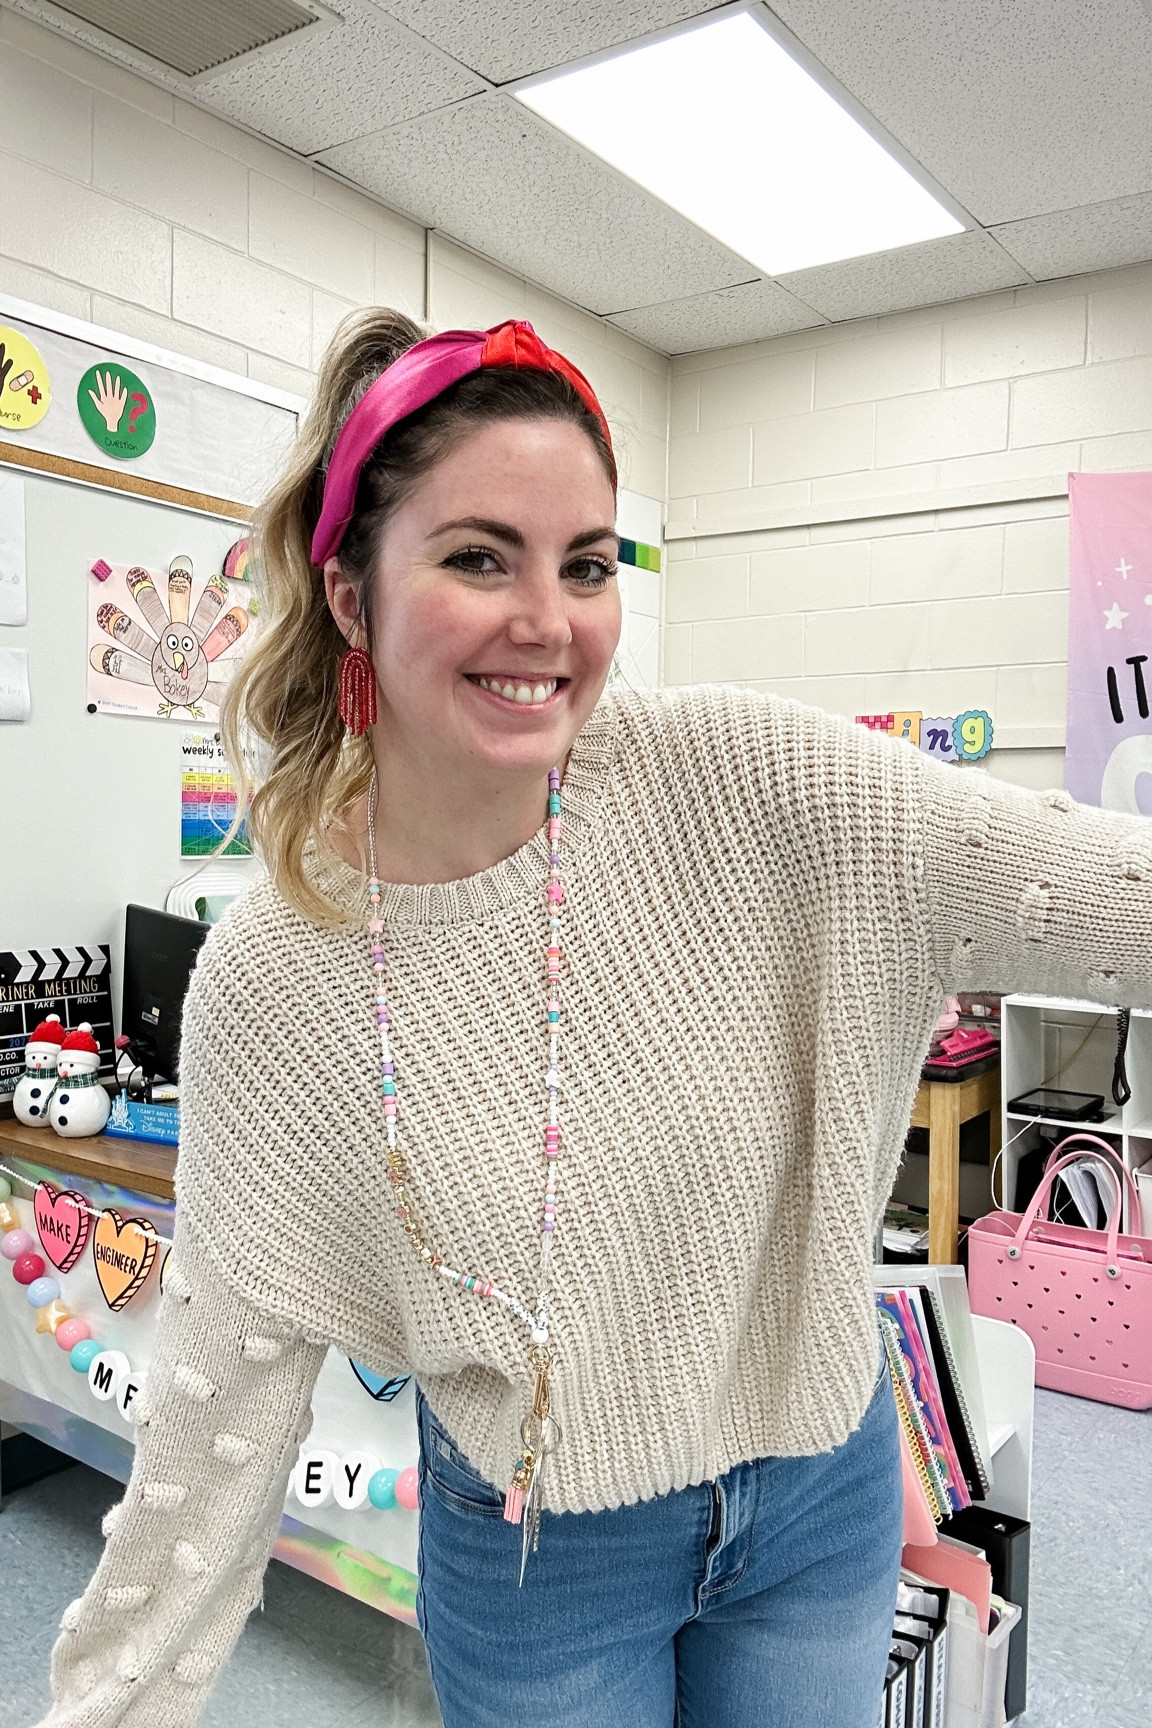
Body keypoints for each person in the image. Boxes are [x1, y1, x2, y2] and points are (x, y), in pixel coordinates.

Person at [36, 309, 1152, 1728]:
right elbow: (213, 1442)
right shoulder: (283, 980)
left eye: (585, 564)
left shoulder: (749, 784)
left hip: (820, 1492)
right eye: (476, 557)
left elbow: (1097, 889)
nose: (548, 622)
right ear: (350, 596)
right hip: (539, 1561)